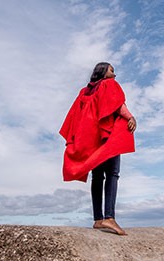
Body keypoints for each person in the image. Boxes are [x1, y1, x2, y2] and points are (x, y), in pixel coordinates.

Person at [59, 62, 136, 235]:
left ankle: (98, 219)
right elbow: (117, 105)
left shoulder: (84, 92)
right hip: (105, 137)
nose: (114, 75)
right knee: (112, 174)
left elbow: (74, 117)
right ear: (103, 71)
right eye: (112, 70)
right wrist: (131, 117)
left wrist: (75, 140)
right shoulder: (109, 84)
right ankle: (109, 217)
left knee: (97, 177)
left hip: (91, 140)